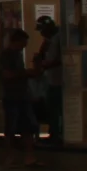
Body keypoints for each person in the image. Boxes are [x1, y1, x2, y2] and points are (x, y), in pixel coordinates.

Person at [0, 27, 37, 168]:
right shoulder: (7, 55)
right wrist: (25, 74)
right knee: (11, 127)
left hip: (22, 95)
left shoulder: (18, 55)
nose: (24, 46)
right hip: (12, 96)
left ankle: (29, 156)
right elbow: (7, 74)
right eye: (23, 42)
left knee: (27, 127)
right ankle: (11, 156)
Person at [30, 13, 63, 149]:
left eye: (43, 30)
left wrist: (45, 65)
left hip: (60, 80)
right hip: (51, 80)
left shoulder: (59, 38)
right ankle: (53, 134)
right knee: (51, 109)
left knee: (57, 109)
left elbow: (59, 59)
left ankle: (58, 135)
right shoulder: (49, 40)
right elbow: (42, 55)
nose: (42, 34)